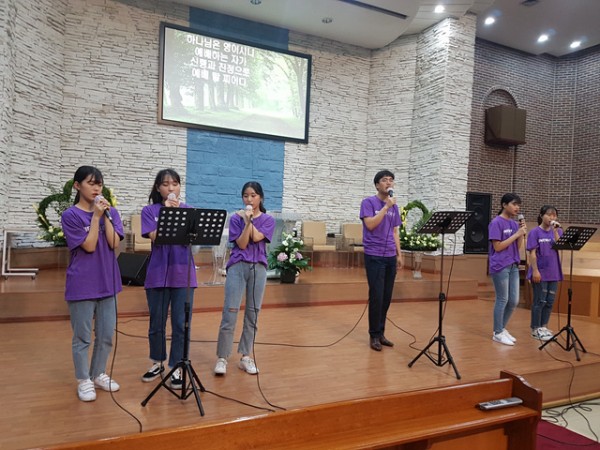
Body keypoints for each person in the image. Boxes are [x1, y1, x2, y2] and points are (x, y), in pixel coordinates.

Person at [62, 166, 123, 402]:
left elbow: (114, 243)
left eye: (99, 183)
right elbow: (88, 246)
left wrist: (105, 214)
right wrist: (95, 217)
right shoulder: (71, 215)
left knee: (106, 335)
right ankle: (83, 379)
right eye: (91, 183)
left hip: (108, 282)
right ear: (77, 186)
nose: (97, 188)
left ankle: (98, 373)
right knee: (83, 337)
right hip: (82, 284)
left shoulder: (111, 213)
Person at [140, 169, 197, 390]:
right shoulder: (150, 211)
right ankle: (157, 361)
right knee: (157, 322)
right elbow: (155, 237)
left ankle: (177, 366)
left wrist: (178, 215)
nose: (171, 188)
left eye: (175, 183)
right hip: (158, 272)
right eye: (165, 184)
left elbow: (192, 240)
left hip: (183, 274)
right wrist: (167, 213)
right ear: (158, 188)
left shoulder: (188, 211)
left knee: (181, 324)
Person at [214, 181, 275, 375]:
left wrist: (250, 220)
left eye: (253, 195)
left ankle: (245, 356)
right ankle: (222, 358)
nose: (249, 199)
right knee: (230, 311)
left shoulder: (268, 219)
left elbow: (256, 238)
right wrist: (246, 222)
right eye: (246, 196)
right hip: (238, 266)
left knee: (252, 313)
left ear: (260, 198)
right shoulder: (235, 219)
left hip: (258, 268)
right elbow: (241, 244)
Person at [360, 170, 404, 351]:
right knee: (377, 296)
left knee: (386, 297)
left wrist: (399, 254)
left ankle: (381, 333)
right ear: (377, 185)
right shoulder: (368, 203)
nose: (389, 183)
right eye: (385, 180)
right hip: (374, 255)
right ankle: (373, 335)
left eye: (391, 180)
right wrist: (386, 207)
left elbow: (395, 231)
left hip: (390, 256)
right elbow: (370, 225)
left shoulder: (395, 206)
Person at [488, 193, 527, 346]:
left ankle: (501, 328)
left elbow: (517, 247)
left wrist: (521, 234)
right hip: (500, 265)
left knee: (514, 300)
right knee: (502, 299)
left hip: (513, 265)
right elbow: (497, 247)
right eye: (514, 204)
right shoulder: (496, 223)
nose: (517, 207)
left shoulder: (514, 224)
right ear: (504, 205)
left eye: (519, 205)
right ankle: (497, 333)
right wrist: (517, 234)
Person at [527, 205, 563, 341]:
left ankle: (544, 326)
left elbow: (560, 246)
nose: (552, 217)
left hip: (554, 271)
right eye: (549, 214)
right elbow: (532, 253)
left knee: (549, 301)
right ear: (542, 216)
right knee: (540, 300)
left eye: (554, 215)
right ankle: (535, 328)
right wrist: (535, 270)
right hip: (540, 271)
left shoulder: (557, 231)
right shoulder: (535, 232)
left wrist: (556, 231)